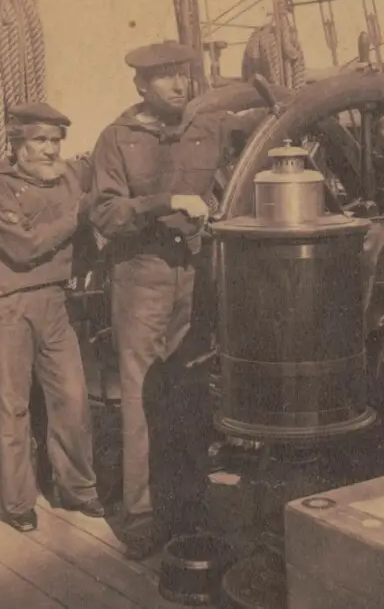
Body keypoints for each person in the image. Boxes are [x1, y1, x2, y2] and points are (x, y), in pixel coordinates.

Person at [89, 41, 266, 560]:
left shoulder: (207, 127)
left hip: (194, 274)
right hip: (141, 273)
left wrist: (265, 88)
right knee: (142, 393)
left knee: (188, 389)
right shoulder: (116, 139)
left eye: (183, 76)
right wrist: (165, 202)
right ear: (140, 85)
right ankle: (142, 514)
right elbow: (104, 214)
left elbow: (270, 121)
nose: (178, 85)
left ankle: (190, 501)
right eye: (164, 77)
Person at [0, 101, 104, 533]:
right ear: (17, 143)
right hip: (9, 304)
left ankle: (77, 489)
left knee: (72, 398)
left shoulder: (67, 176)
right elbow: (23, 247)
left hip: (55, 303)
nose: (50, 150)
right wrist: (76, 216)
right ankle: (16, 504)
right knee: (11, 408)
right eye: (40, 141)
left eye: (55, 141)